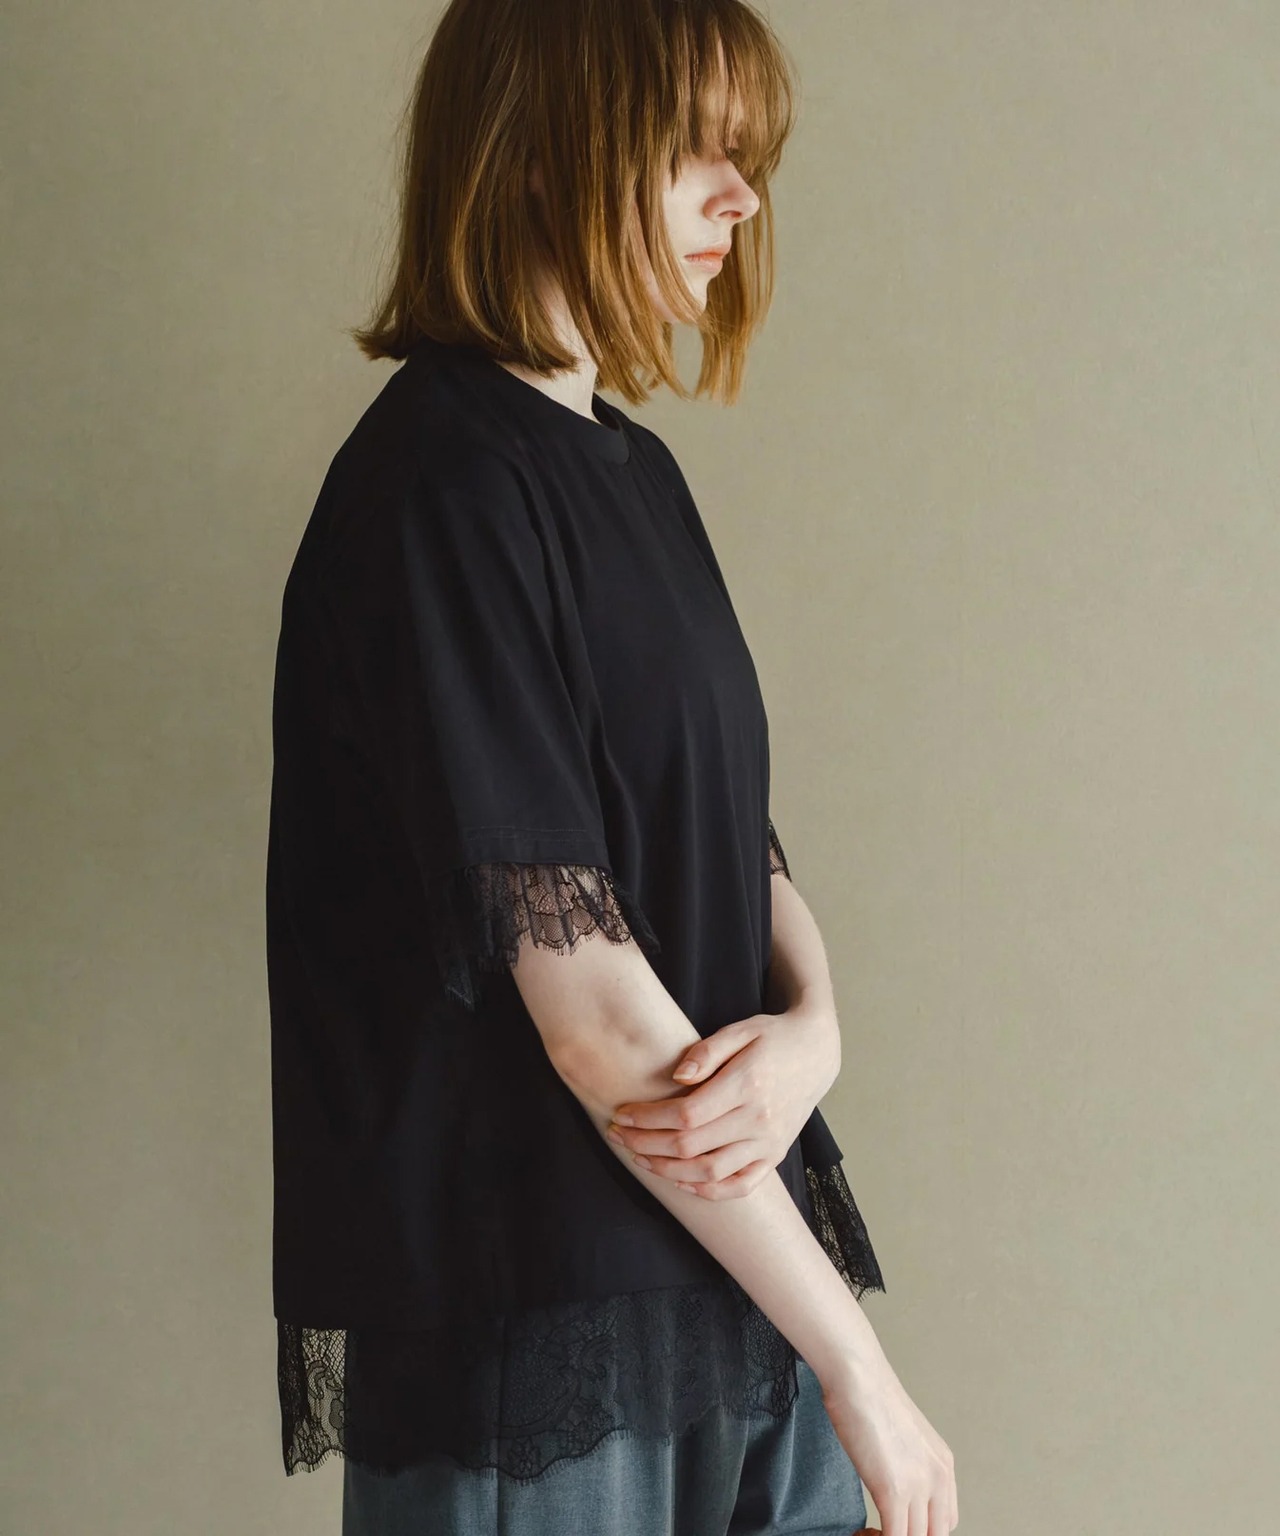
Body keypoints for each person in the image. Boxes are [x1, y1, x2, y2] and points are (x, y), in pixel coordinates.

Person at [266, 0, 959, 1531]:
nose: (743, 196)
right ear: (543, 149)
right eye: (695, 149)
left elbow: (730, 837)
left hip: (729, 1280)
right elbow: (589, 1012)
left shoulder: (636, 471)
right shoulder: (439, 488)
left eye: (751, 155)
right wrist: (862, 1370)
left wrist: (816, 1030)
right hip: (537, 1329)